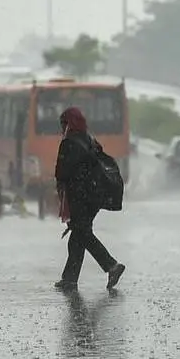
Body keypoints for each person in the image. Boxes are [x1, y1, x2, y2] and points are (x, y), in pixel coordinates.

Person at [54, 106, 126, 291]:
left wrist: (61, 187)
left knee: (83, 234)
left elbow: (62, 172)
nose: (62, 128)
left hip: (79, 196)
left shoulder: (69, 143)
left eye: (63, 124)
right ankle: (69, 279)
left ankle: (111, 265)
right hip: (94, 196)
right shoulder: (90, 140)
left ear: (68, 124)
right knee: (78, 235)